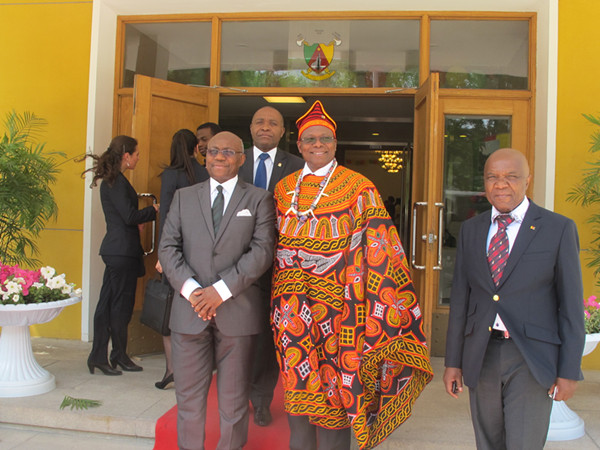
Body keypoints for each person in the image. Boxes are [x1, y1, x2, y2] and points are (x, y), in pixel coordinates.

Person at [272, 100, 433, 450]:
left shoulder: (358, 187)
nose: (318, 144)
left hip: (340, 313)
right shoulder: (284, 190)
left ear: (334, 142)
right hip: (290, 310)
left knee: (334, 396)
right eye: (310, 139)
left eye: (325, 138)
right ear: (298, 145)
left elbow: (382, 247)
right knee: (297, 394)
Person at [443, 148, 585, 450]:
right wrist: (453, 362)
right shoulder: (471, 229)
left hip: (531, 356)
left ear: (528, 181)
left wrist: (569, 371)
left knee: (523, 443)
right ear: (484, 184)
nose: (501, 184)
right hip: (482, 353)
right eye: (492, 177)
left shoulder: (558, 229)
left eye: (511, 177)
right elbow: (460, 300)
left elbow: (570, 306)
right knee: (489, 442)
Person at [158, 131, 276, 450]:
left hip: (237, 314)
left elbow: (262, 252)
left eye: (227, 151)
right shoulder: (184, 197)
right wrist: (194, 290)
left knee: (234, 402)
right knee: (189, 401)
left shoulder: (259, 199)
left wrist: (220, 291)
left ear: (242, 158)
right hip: (189, 311)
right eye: (212, 151)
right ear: (204, 156)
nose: (218, 156)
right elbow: (167, 248)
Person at [239, 105, 304, 427]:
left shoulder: (297, 166)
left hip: (279, 269)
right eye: (259, 121)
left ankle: (261, 399)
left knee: (267, 337)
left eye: (273, 123)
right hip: (234, 268)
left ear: (282, 131)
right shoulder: (232, 160)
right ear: (251, 128)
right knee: (237, 335)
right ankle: (234, 393)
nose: (266, 127)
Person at [83, 135, 158, 376]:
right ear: (126, 156)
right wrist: (152, 211)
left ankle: (103, 356)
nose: (138, 158)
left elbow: (124, 216)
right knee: (119, 307)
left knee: (108, 304)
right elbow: (128, 217)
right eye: (136, 154)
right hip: (121, 251)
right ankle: (116, 356)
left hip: (118, 251)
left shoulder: (114, 181)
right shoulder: (115, 182)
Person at [154, 129, 209, 390]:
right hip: (200, 252)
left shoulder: (171, 175)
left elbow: (166, 215)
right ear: (196, 148)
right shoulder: (204, 173)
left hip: (176, 253)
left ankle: (173, 369)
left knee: (172, 312)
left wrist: (162, 255)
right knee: (199, 307)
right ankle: (198, 370)